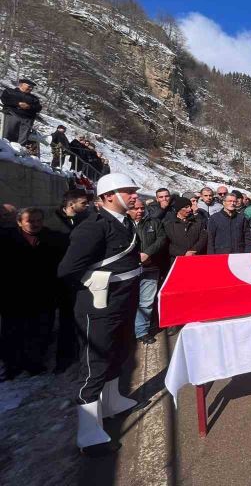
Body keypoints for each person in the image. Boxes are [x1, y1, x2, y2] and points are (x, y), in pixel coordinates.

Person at [57, 173, 143, 450]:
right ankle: (89, 434)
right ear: (108, 197)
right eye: (128, 191)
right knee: (94, 365)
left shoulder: (125, 221)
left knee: (119, 352)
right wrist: (94, 284)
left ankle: (113, 401)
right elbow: (67, 270)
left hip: (123, 301)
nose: (135, 196)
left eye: (134, 191)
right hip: (99, 305)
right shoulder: (93, 226)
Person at [0, 208, 62, 379]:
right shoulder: (6, 239)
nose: (35, 224)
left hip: (43, 295)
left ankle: (34, 363)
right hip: (13, 296)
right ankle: (12, 366)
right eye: (30, 221)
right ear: (19, 222)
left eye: (38, 220)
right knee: (13, 332)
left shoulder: (52, 238)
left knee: (40, 330)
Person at [45, 189, 90, 371]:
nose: (87, 206)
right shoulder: (51, 224)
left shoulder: (85, 220)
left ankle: (81, 355)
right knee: (65, 320)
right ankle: (63, 360)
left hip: (80, 277)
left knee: (80, 318)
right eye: (83, 203)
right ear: (71, 204)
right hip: (60, 279)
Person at [128, 199, 166, 344]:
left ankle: (141, 331)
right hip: (129, 270)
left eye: (142, 208)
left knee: (146, 301)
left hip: (151, 267)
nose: (140, 211)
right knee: (128, 301)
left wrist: (148, 253)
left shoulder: (154, 222)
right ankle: (126, 331)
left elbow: (161, 239)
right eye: (135, 209)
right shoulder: (124, 224)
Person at [163, 198, 207, 263]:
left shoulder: (198, 222)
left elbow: (203, 238)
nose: (189, 209)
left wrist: (193, 250)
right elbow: (167, 244)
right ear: (179, 209)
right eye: (186, 207)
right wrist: (184, 253)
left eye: (190, 206)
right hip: (177, 259)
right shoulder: (168, 225)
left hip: (196, 257)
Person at [1, 78, 42, 146]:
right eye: (29, 86)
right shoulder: (9, 91)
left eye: (32, 87)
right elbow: (4, 100)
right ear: (21, 84)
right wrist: (18, 103)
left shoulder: (34, 98)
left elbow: (38, 107)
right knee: (7, 134)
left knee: (22, 139)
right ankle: (5, 149)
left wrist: (29, 107)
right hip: (11, 115)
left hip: (27, 119)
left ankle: (19, 152)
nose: (31, 88)